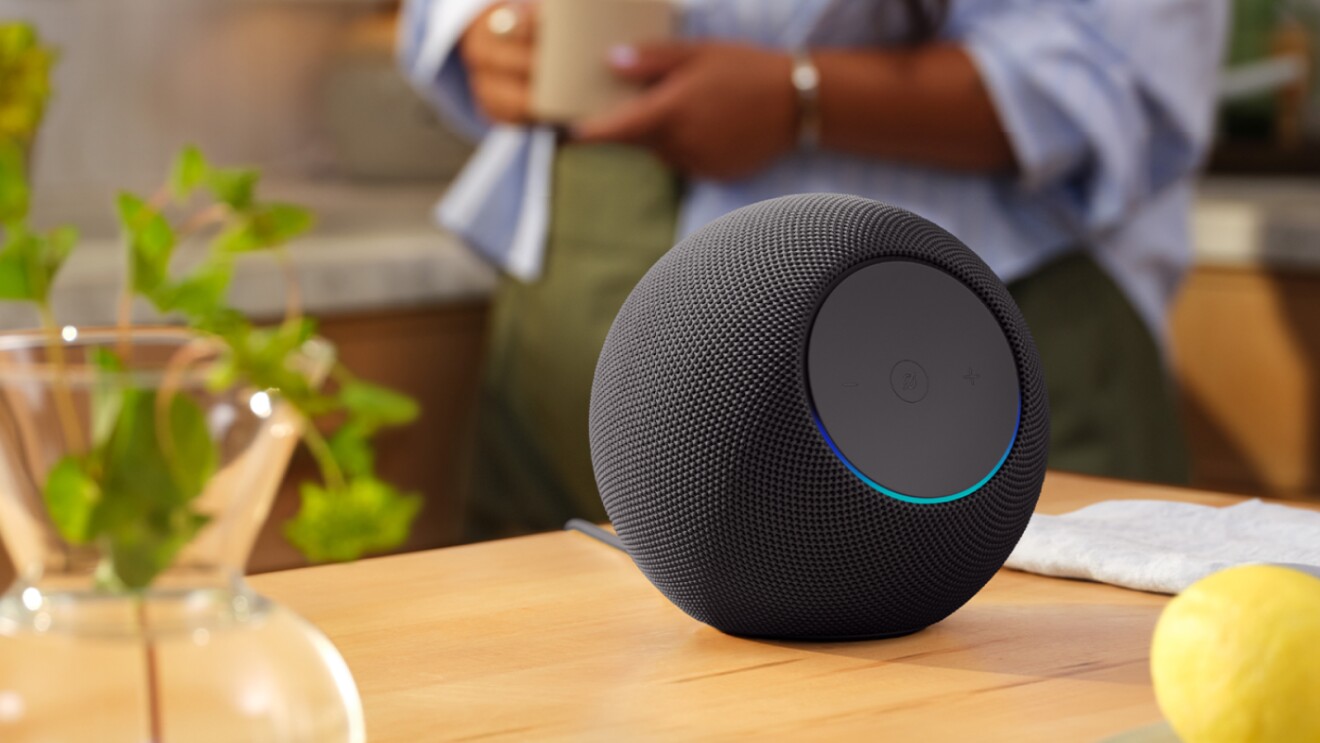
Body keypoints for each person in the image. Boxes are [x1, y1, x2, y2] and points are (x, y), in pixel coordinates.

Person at [401, 0, 1228, 540]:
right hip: (576, 278)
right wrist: (479, 25)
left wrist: (803, 97)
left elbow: (1124, 70)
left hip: (949, 312)